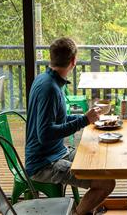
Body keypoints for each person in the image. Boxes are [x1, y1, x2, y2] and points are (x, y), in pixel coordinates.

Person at [25, 37, 115, 215]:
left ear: (51, 58)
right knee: (107, 183)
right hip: (44, 163)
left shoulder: (44, 79)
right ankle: (78, 213)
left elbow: (57, 118)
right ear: (73, 61)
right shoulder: (50, 88)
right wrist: (83, 121)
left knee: (99, 159)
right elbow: (45, 133)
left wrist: (84, 117)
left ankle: (86, 209)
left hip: (57, 152)